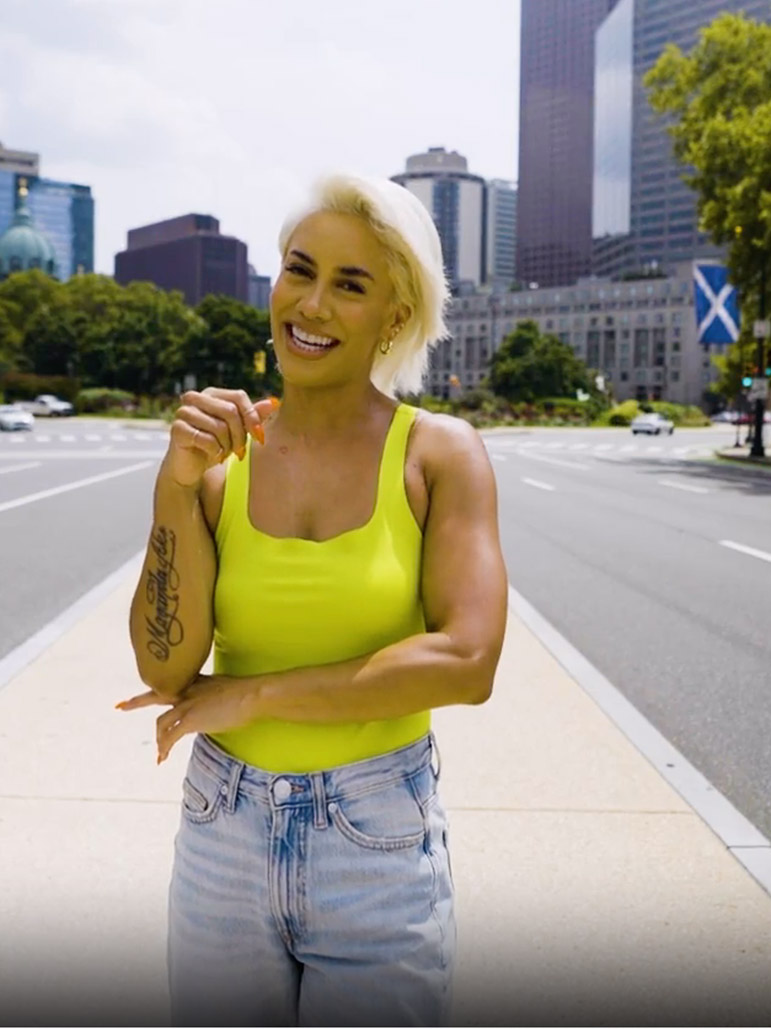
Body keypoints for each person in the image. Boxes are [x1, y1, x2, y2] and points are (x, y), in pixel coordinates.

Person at [119, 173, 508, 1026]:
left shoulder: (438, 455)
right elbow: (164, 663)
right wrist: (173, 486)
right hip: (223, 824)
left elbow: (467, 660)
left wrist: (252, 692)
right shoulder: (220, 459)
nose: (313, 303)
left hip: (376, 836)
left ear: (394, 316)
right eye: (301, 270)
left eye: (351, 283)